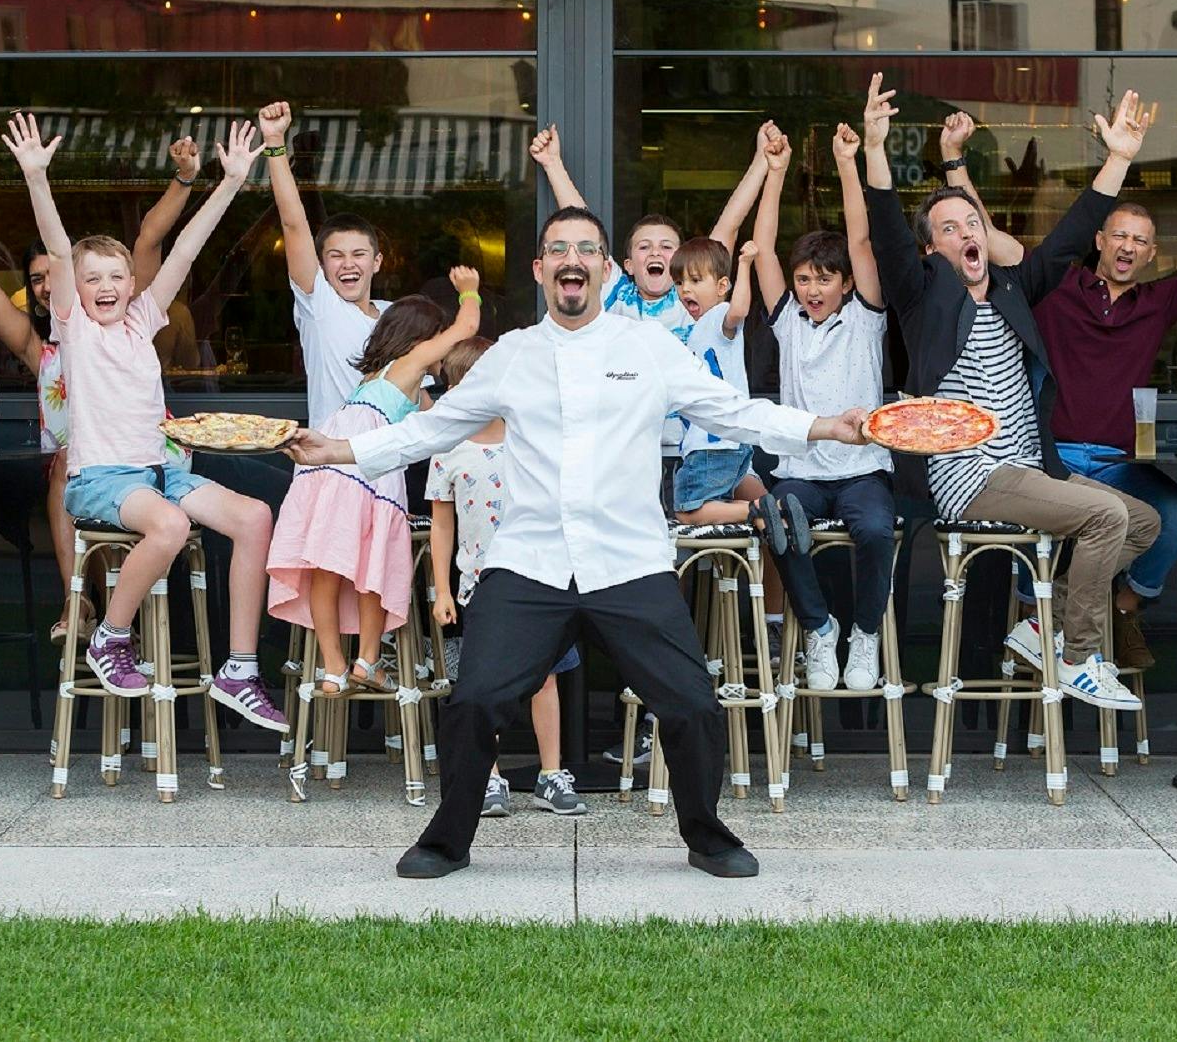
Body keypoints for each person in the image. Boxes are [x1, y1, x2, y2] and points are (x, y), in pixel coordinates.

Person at [287, 205, 875, 882]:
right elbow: (430, 430)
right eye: (557, 249)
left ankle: (707, 836)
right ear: (541, 271)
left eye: (585, 249)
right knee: (474, 699)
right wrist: (337, 448)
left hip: (627, 560)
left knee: (690, 705)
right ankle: (447, 841)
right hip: (530, 560)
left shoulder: (648, 348)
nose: (571, 259)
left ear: (604, 268)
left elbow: (734, 411)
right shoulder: (511, 356)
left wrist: (828, 427)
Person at [860, 73, 1161, 711]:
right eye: (948, 227)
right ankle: (1079, 657)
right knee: (1106, 515)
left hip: (1028, 465)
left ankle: (1041, 629)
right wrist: (875, 149)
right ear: (931, 248)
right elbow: (886, 231)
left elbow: (1074, 237)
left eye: (972, 220)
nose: (966, 232)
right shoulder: (921, 299)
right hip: (969, 476)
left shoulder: (1010, 289)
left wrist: (1118, 161)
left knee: (1142, 521)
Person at [14, 112, 288, 731]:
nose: (104, 286)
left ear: (133, 284)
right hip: (101, 479)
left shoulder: (143, 319)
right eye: (92, 280)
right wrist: (36, 178)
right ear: (72, 292)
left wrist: (232, 181)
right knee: (166, 527)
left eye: (116, 277)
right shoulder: (74, 329)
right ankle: (110, 635)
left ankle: (240, 670)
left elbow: (187, 248)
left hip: (160, 469)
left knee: (255, 517)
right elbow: (59, 249)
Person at [0, 133, 202, 643]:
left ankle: (114, 617)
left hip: (141, 451)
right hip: (81, 464)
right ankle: (82, 601)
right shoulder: (37, 345)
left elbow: (151, 242)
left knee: (88, 476)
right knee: (67, 466)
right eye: (38, 278)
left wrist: (183, 180)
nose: (50, 285)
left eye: (57, 274)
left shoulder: (127, 318)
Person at [1018, 115, 1177, 672]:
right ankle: (1034, 619)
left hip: (1116, 462)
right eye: (1119, 236)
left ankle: (1120, 608)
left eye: (1140, 240)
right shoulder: (1058, 286)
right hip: (1053, 457)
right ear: (1098, 242)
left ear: (1152, 253)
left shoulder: (1157, 302)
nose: (1128, 247)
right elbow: (987, 241)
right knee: (1043, 525)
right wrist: (955, 163)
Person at [268, 271, 482, 693]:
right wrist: (469, 290)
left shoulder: (381, 376)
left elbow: (429, 421)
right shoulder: (411, 363)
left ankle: (333, 667)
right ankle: (366, 660)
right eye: (440, 340)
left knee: (325, 569)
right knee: (371, 568)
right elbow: (468, 326)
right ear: (423, 338)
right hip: (366, 469)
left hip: (325, 466)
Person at [751, 121, 898, 694]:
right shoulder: (788, 321)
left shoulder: (863, 318)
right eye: (804, 278)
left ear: (843, 284)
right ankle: (818, 626)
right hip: (801, 471)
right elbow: (761, 248)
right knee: (776, 516)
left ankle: (864, 635)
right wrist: (776, 171)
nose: (812, 289)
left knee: (877, 531)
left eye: (824, 279)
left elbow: (861, 242)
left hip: (862, 470)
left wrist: (845, 163)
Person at [424, 334, 587, 818]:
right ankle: (488, 776)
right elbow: (442, 523)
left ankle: (551, 774)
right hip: (479, 585)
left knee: (545, 680)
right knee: (484, 684)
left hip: (539, 578)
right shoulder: (448, 448)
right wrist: (442, 589)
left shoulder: (529, 438)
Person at [530, 122, 770, 342]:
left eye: (667, 247)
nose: (655, 251)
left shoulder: (694, 297)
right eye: (644, 247)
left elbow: (729, 225)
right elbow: (582, 230)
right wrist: (552, 164)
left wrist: (762, 161)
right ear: (629, 265)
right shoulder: (615, 292)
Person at [258, 100, 387, 429]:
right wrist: (275, 144)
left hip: (386, 475)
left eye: (358, 254)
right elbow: (294, 224)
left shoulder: (398, 316)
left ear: (377, 262)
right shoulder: (320, 305)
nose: (348, 264)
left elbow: (424, 405)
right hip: (328, 467)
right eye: (335, 255)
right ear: (322, 265)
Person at [666, 236, 770, 530]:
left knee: (688, 511)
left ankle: (756, 509)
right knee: (765, 524)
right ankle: (769, 513)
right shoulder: (699, 330)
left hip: (712, 444)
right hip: (733, 443)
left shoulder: (717, 317)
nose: (685, 288)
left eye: (696, 280)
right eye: (679, 282)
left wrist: (744, 264)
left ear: (722, 287)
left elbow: (738, 312)